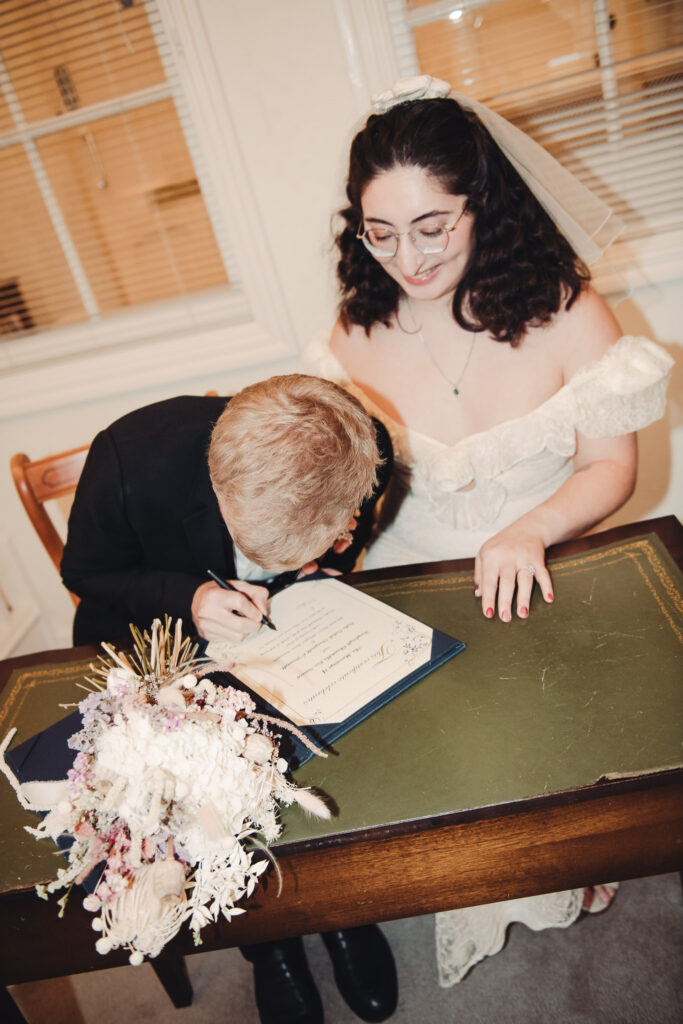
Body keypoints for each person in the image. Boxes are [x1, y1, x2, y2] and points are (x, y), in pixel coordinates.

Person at [303, 76, 673, 985]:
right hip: (409, 578)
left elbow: (609, 468)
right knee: (433, 772)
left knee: (568, 763)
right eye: (379, 233)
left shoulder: (568, 312)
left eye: (433, 226)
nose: (408, 259)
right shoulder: (354, 332)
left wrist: (528, 529)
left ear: (484, 202)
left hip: (538, 564)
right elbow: (355, 486)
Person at [61, 373, 398, 1024]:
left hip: (293, 628)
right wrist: (191, 598)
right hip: (163, 643)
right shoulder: (131, 457)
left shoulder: (360, 441)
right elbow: (88, 574)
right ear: (220, 487)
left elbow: (359, 522)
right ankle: (269, 945)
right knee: (211, 790)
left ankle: (340, 912)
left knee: (341, 752)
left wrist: (320, 564)